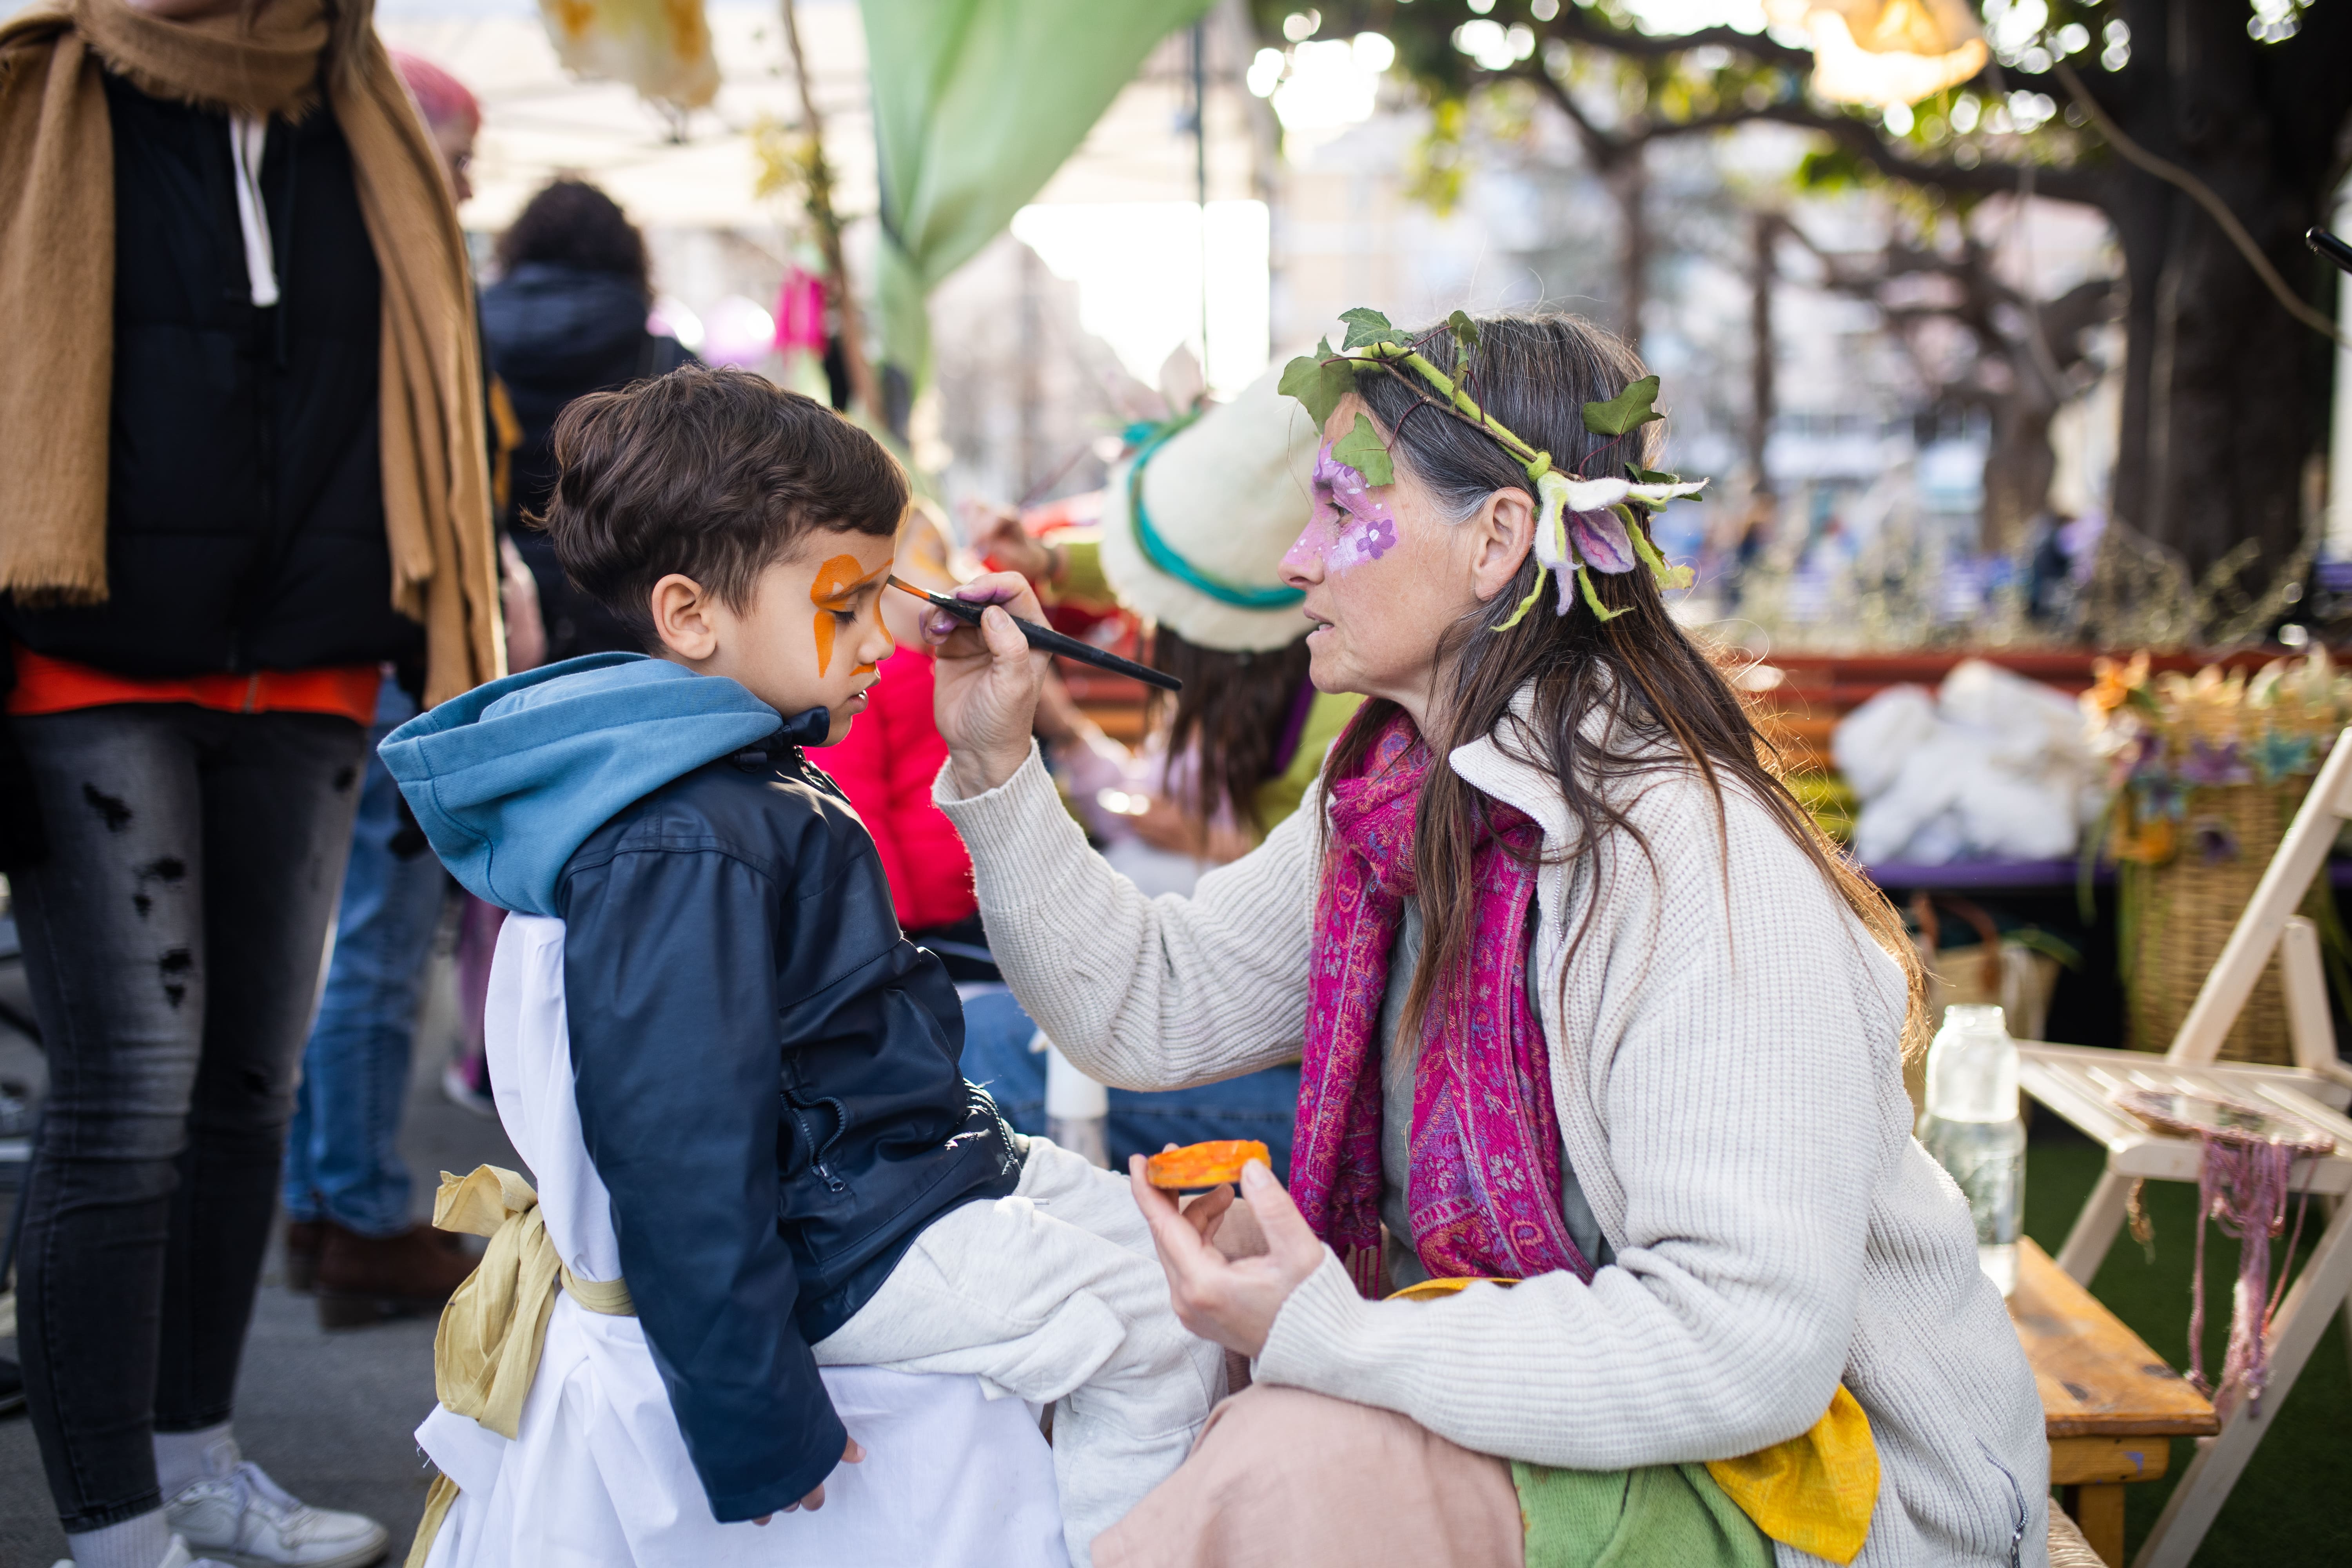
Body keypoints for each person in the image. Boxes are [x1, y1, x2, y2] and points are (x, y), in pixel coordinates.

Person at [925, 310, 2049, 1566]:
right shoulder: (1391, 795)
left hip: (1832, 1498)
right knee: (1161, 1358)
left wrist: (1333, 1333)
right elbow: (1146, 1003)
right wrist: (995, 756)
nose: (1296, 559)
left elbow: (1745, 1351)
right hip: (1632, 1431)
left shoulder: (1695, 864)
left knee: (1284, 1463)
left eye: (1341, 508)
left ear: (1498, 539)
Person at [383, 367, 1224, 1568]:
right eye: (847, 600)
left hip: (880, 1186)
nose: (881, 635)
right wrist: (757, 1424)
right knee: (1163, 1325)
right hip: (843, 1237)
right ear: (689, 615)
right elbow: (678, 1152)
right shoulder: (681, 833)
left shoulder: (726, 780)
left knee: (1170, 1255)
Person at [0, 1, 503, 1565]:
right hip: (85, 651)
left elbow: (420, 395)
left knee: (246, 1088)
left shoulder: (360, 116)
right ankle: (111, 1514)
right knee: (131, 1089)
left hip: (312, 656)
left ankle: (195, 1451)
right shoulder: (46, 96)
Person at [964, 368, 1363, 1176]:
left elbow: (1160, 1004)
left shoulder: (1359, 717)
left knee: (972, 1053)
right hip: (1248, 1021)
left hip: (1313, 1086)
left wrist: (1013, 753)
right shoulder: (1336, 640)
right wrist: (1046, 559)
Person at [278, 46, 499, 1329]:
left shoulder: (333, 258)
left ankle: (330, 1199)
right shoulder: (383, 269)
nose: (464, 191)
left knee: (346, 942)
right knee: (371, 940)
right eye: (457, 162)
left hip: (350, 641)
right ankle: (356, 1209)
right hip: (381, 639)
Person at [481, 176, 697, 664]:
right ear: (629, 255)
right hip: (625, 608)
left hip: (496, 604)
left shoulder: (468, 346)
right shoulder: (663, 357)